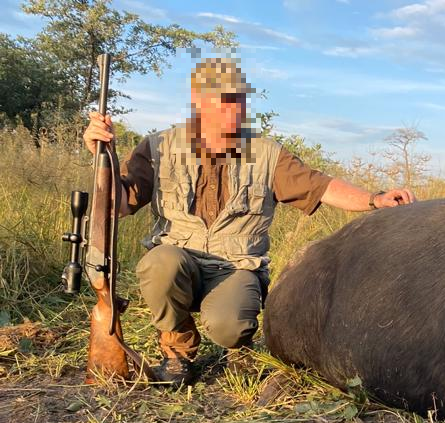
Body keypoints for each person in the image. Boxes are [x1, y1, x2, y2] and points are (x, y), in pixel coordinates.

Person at [82, 57, 415, 388]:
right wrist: (102, 156)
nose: (235, 110)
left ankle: (236, 347)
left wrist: (375, 199)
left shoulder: (266, 152)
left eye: (238, 100)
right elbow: (119, 205)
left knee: (231, 326)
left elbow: (320, 185)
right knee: (160, 263)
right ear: (199, 102)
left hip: (235, 267)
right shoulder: (159, 146)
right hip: (179, 258)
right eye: (224, 101)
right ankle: (178, 350)